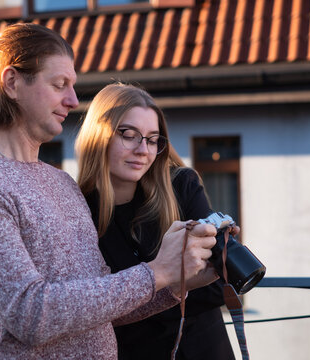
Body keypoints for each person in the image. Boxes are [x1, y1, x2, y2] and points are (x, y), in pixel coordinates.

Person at [0, 23, 219, 359]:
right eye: (59, 85)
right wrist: (156, 272)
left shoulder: (61, 183)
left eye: (72, 86)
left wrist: (175, 285)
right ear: (12, 82)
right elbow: (30, 314)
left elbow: (100, 310)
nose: (72, 100)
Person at [75, 83, 236, 360]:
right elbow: (91, 311)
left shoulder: (181, 187)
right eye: (128, 135)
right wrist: (176, 285)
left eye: (152, 139)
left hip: (204, 350)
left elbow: (221, 284)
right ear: (98, 136)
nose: (143, 150)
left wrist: (135, 301)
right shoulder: (77, 210)